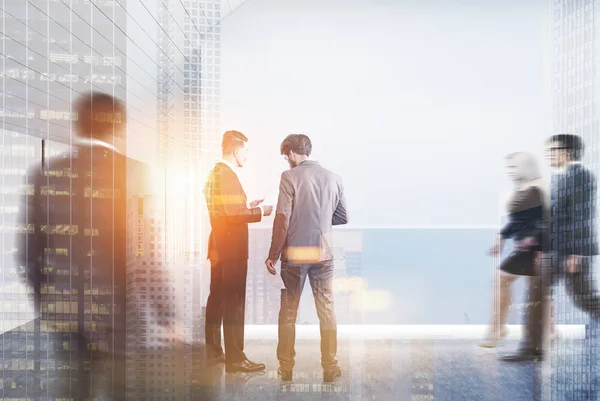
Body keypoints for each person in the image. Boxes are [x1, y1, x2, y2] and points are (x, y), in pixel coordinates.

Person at [15, 92, 137, 399]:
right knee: (119, 389)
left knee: (73, 389)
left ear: (78, 124)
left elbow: (28, 251)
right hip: (118, 308)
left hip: (66, 307)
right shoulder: (133, 173)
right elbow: (146, 251)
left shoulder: (45, 175)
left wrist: (46, 299)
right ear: (118, 126)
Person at [501, 134, 599, 362]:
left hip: (573, 251)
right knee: (536, 292)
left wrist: (576, 253)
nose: (549, 154)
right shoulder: (558, 178)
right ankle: (532, 349)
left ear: (568, 151)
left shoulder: (582, 178)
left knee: (584, 299)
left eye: (553, 150)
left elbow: (581, 217)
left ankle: (532, 348)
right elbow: (551, 218)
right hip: (554, 249)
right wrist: (538, 244)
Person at [265, 134, 348, 383]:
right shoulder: (335, 178)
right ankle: (330, 367)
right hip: (324, 253)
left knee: (289, 312)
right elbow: (342, 217)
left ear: (291, 153)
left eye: (285, 156)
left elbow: (282, 218)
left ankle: (286, 368)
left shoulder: (289, 177)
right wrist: (319, 220)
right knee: (327, 310)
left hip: (296, 254)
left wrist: (273, 254)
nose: (286, 161)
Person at [203, 130, 273, 373]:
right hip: (231, 250)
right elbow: (233, 215)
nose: (247, 155)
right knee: (234, 303)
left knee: (217, 299)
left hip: (218, 247)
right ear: (235, 151)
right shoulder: (228, 175)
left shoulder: (214, 174)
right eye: (245, 151)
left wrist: (246, 206)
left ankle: (213, 352)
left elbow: (226, 210)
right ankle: (236, 358)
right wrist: (260, 211)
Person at [479, 152, 549, 348]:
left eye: (514, 167)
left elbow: (543, 221)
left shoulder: (535, 190)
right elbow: (515, 221)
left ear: (526, 167)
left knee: (501, 280)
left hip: (533, 249)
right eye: (509, 167)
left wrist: (534, 243)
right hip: (525, 247)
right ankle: (548, 330)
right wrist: (501, 238)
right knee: (535, 291)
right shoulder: (521, 189)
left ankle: (497, 329)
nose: (510, 171)